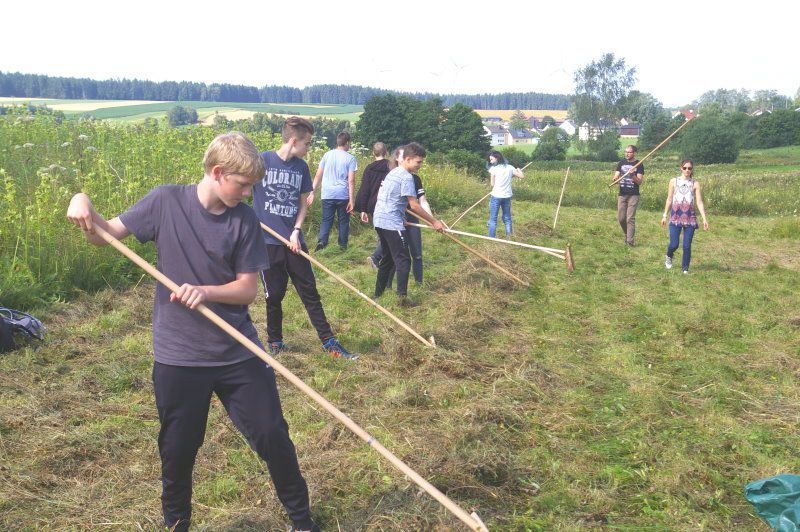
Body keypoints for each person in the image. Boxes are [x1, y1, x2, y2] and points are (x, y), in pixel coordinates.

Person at [66, 132, 319, 532]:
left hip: (237, 352)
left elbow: (247, 289)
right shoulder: (165, 202)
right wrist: (82, 201)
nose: (249, 192)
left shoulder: (245, 220)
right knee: (178, 450)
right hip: (179, 356)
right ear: (218, 172)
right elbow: (106, 236)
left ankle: (303, 522)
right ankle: (176, 525)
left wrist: (205, 291)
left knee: (273, 435)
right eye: (244, 184)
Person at [254, 117, 357, 360]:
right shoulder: (261, 161)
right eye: (307, 143)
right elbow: (239, 188)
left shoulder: (300, 167)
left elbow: (303, 203)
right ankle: (275, 342)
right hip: (267, 245)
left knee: (310, 292)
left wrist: (296, 230)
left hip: (294, 242)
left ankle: (329, 342)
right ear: (293, 141)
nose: (308, 148)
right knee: (274, 296)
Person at [372, 142, 445, 306]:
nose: (420, 165)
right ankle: (402, 300)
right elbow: (414, 205)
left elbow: (390, 197)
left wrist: (399, 214)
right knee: (404, 261)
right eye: (418, 162)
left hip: (380, 220)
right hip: (391, 223)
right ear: (409, 159)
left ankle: (378, 296)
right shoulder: (406, 176)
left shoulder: (394, 172)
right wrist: (434, 222)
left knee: (388, 259)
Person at [307, 131, 357, 251]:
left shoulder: (327, 155)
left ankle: (322, 242)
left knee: (326, 220)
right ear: (347, 143)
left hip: (327, 193)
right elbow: (351, 180)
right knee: (343, 221)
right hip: (342, 194)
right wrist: (351, 199)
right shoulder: (351, 158)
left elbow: (318, 175)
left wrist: (312, 192)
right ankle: (343, 246)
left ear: (338, 142)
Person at [660, 159, 709, 273]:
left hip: (690, 218)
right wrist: (664, 216)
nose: (687, 170)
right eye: (685, 168)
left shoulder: (695, 183)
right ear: (681, 168)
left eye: (689, 168)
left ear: (692, 170)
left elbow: (699, 202)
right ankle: (669, 255)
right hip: (675, 217)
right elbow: (669, 199)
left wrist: (704, 219)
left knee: (687, 245)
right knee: (674, 244)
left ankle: (685, 269)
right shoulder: (673, 181)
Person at [354, 142, 391, 269]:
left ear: (372, 153)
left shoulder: (369, 168)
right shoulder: (390, 167)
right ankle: (377, 257)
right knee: (385, 233)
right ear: (386, 152)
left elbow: (365, 190)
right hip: (386, 204)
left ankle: (380, 257)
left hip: (373, 206)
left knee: (380, 232)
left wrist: (363, 209)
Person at [486, 150, 524, 238]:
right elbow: (522, 176)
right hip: (507, 197)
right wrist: (518, 170)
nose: (490, 161)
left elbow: (492, 184)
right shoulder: (510, 167)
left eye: (491, 159)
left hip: (496, 196)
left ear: (497, 158)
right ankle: (509, 238)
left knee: (493, 219)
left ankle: (492, 239)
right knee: (507, 218)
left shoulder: (493, 169)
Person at [615, 144, 645, 246]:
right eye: (626, 152)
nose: (627, 154)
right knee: (621, 218)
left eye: (629, 152)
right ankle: (627, 234)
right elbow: (616, 175)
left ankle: (630, 242)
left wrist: (632, 174)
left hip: (633, 195)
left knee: (630, 218)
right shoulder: (621, 163)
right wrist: (615, 179)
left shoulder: (639, 164)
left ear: (634, 153)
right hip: (622, 194)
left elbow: (639, 182)